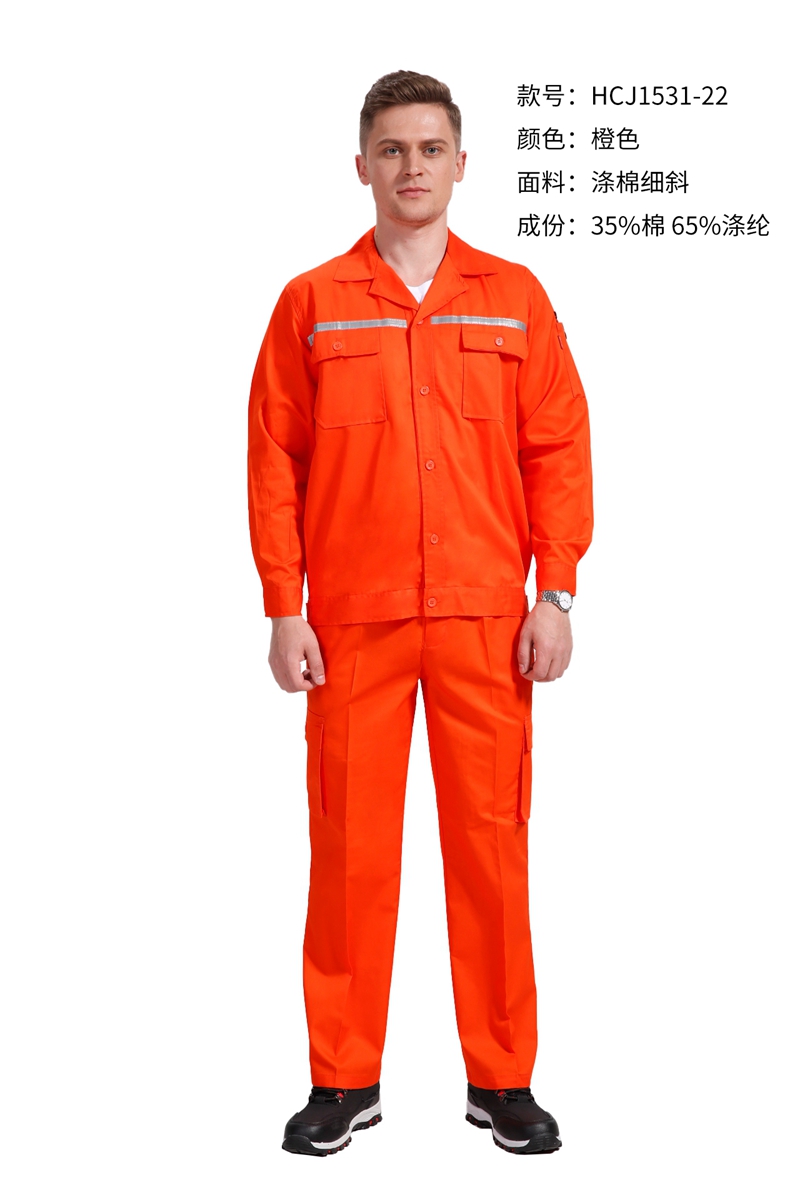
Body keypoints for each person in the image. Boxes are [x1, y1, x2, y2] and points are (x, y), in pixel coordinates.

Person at [247, 70, 593, 1157]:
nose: (411, 168)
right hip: (350, 624)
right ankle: (342, 1078)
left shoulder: (514, 296)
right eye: (391, 149)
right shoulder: (311, 304)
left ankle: (502, 1078)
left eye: (429, 149)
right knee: (349, 855)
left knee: (490, 853)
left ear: (460, 164)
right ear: (361, 165)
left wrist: (554, 591)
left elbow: (557, 448)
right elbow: (274, 461)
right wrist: (283, 606)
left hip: (486, 622)